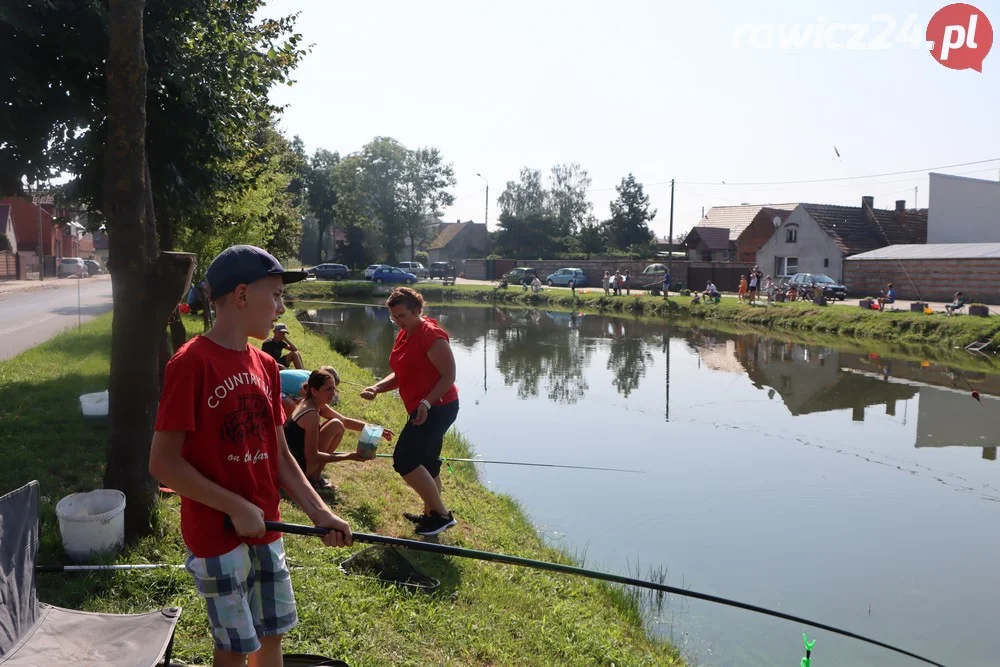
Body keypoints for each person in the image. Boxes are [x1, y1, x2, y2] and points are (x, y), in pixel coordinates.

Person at [149, 244, 352, 667]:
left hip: (267, 528)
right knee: (235, 646)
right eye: (275, 294)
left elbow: (280, 455)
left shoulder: (266, 366)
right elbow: (164, 464)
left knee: (270, 636)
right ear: (242, 295)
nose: (282, 306)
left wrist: (320, 513)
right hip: (217, 533)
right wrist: (235, 505)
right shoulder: (192, 363)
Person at [360, 287, 460, 536]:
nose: (397, 321)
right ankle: (430, 515)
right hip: (422, 407)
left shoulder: (431, 335)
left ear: (417, 311)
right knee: (427, 463)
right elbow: (401, 373)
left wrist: (426, 403)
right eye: (393, 317)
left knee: (405, 459)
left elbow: (448, 376)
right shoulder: (405, 334)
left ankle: (442, 515)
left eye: (402, 316)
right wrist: (377, 387)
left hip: (438, 407)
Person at [284, 368, 394, 489]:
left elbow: (345, 421)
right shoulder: (311, 414)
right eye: (328, 389)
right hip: (294, 471)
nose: (333, 393)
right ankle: (313, 479)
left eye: (334, 388)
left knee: (337, 425)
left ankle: (314, 477)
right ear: (315, 391)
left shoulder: (311, 402)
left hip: (289, 465)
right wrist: (348, 456)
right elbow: (312, 456)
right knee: (336, 425)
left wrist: (375, 429)